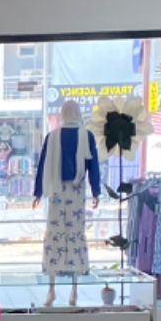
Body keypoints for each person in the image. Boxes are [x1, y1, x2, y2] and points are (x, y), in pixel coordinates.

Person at [32, 100, 101, 307]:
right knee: (75, 234)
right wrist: (96, 191)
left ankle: (51, 290)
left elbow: (43, 166)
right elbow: (93, 166)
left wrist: (38, 192)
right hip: (77, 191)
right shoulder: (86, 135)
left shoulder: (53, 136)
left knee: (54, 234)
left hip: (56, 190)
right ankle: (74, 291)